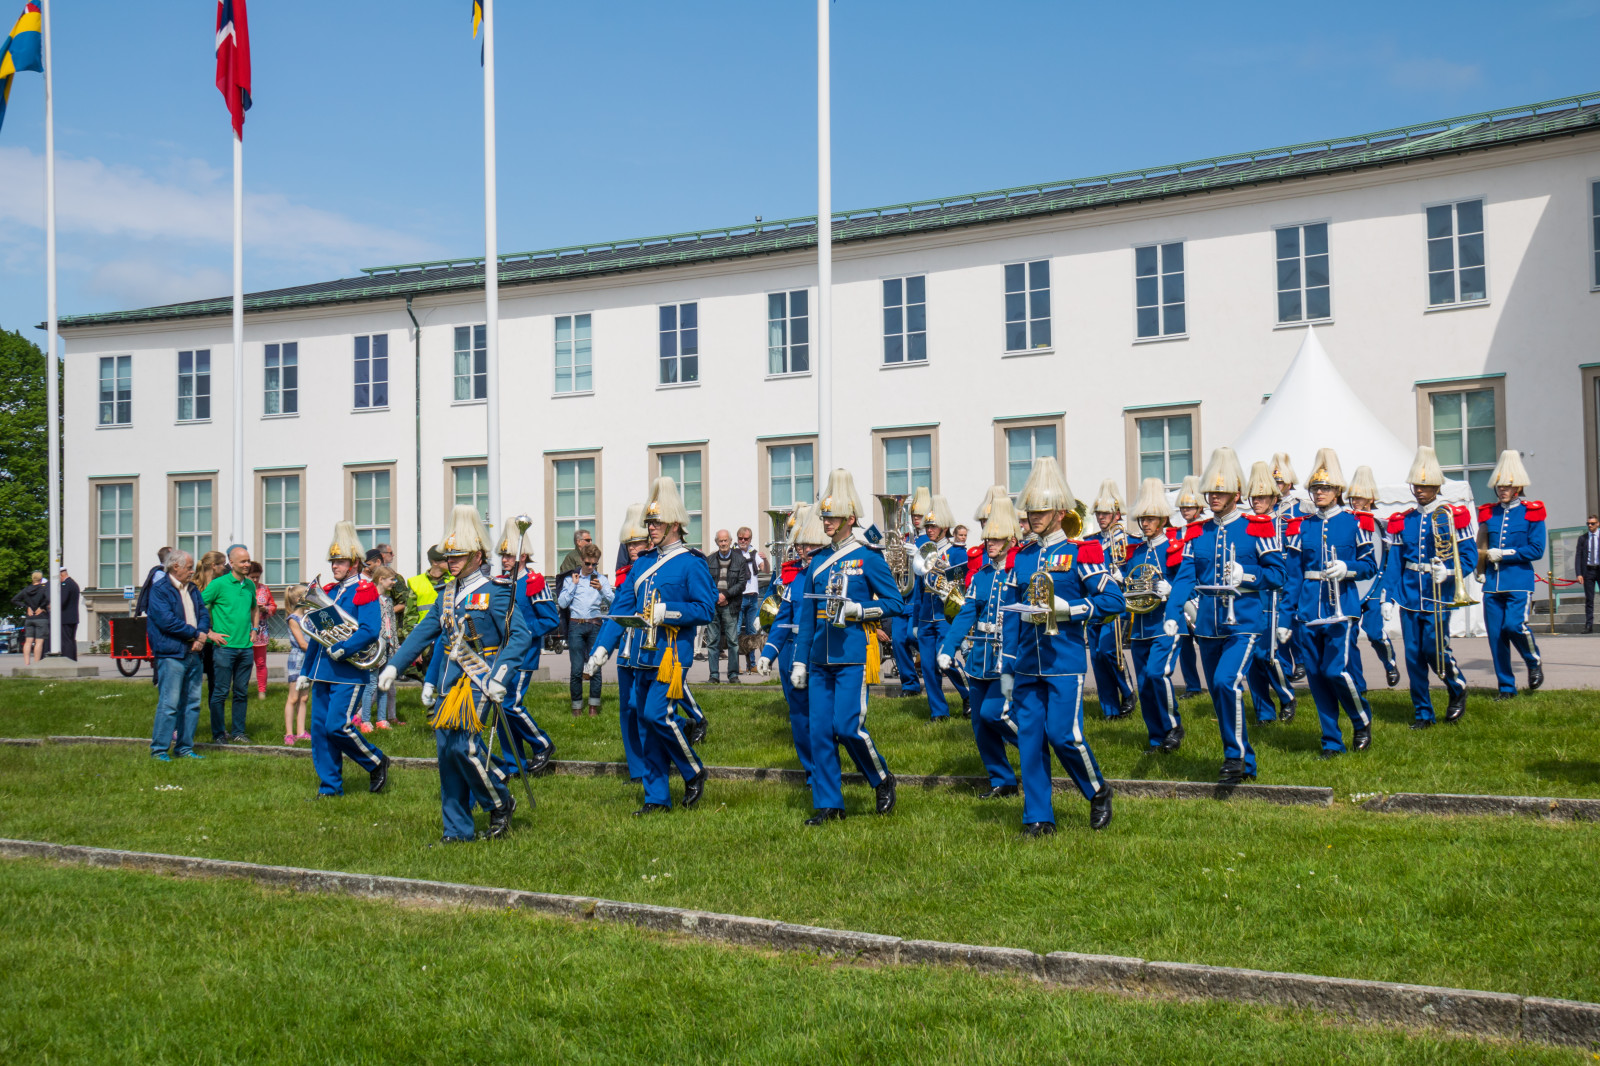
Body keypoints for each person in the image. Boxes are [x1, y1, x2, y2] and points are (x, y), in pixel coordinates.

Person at [379, 508, 529, 839]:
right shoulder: (447, 594)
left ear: (477, 555)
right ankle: (457, 829)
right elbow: (424, 632)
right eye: (449, 556)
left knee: (466, 749)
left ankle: (499, 802)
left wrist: (500, 676)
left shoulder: (498, 589)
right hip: (451, 681)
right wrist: (395, 664)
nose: (452, 562)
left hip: (481, 680)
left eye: (459, 555)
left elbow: (519, 636)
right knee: (447, 756)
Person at [1003, 457, 1120, 834]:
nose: (1033, 516)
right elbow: (1009, 613)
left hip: (1064, 659)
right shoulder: (1020, 557)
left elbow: (1112, 600)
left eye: (1040, 510)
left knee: (1063, 735)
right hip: (1026, 661)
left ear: (1059, 513)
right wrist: (1006, 660)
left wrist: (1072, 610)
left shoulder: (1080, 552)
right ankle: (1038, 816)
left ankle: (1098, 790)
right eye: (1030, 510)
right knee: (1030, 739)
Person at [584, 478, 714, 815]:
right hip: (640, 654)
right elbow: (622, 609)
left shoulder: (692, 562)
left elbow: (705, 608)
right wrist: (602, 649)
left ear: (673, 525)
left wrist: (668, 612)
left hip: (671, 654)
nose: (650, 528)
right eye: (648, 523)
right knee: (646, 722)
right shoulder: (641, 564)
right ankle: (656, 797)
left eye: (655, 523)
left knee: (658, 715)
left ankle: (692, 769)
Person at [790, 469, 905, 825]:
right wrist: (799, 661)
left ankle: (881, 778)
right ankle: (829, 804)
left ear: (849, 519)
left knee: (847, 727)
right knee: (820, 731)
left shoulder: (868, 557)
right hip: (820, 656)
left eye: (832, 516)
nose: (826, 522)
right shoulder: (818, 562)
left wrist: (862, 610)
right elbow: (808, 617)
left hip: (852, 654)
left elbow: (895, 602)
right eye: (824, 516)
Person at [1188, 447, 1288, 785]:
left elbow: (1278, 576)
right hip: (1207, 626)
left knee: (1225, 682)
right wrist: (1177, 610)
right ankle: (1244, 759)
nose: (1213, 497)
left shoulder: (1257, 528)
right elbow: (1185, 579)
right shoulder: (1198, 532)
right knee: (1219, 694)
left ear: (1235, 494)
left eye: (1220, 491)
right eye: (1210, 491)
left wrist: (1246, 576)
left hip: (1244, 622)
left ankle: (1234, 756)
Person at [1383, 445, 1476, 729]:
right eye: (1417, 485)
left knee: (1435, 649)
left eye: (1425, 485)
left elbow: (1469, 557)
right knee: (1413, 656)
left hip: (1439, 594)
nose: (1420, 490)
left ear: (1436, 486)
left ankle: (1456, 686)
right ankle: (1423, 713)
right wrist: (1389, 596)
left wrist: (1448, 571)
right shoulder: (1403, 520)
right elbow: (1394, 563)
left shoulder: (1453, 516)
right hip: (1411, 593)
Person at [296, 522, 391, 798]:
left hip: (348, 672)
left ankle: (375, 761)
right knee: (321, 732)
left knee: (337, 726)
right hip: (323, 671)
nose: (334, 565)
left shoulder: (365, 589)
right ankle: (330, 788)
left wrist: (345, 648)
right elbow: (318, 634)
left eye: (339, 561)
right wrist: (306, 671)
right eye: (333, 561)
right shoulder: (329, 591)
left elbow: (369, 630)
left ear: (353, 563)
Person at [1293, 449, 1377, 758]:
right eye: (1315, 488)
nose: (1319, 493)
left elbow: (1370, 565)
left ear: (1337, 490)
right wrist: (1289, 615)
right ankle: (1331, 741)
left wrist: (1348, 568)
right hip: (1307, 608)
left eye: (1325, 488)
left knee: (1335, 671)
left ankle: (1360, 718)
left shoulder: (1356, 523)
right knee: (1316, 677)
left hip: (1341, 607)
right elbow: (1293, 573)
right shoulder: (1301, 525)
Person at [939, 490, 1022, 797]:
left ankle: (1033, 748)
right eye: (988, 539)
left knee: (994, 714)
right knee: (980, 723)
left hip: (1008, 658)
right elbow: (966, 613)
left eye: (997, 539)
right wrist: (948, 648)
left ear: (1011, 539)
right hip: (979, 657)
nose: (990, 544)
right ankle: (1002, 780)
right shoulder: (982, 575)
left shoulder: (1019, 571)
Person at [1121, 478, 1196, 753]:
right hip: (1140, 626)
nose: (1145, 524)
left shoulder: (1175, 548)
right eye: (1142, 519)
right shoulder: (1136, 553)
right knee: (1144, 683)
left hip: (1167, 622)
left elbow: (1190, 584)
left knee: (1157, 674)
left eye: (1151, 518)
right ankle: (1156, 736)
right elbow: (1131, 586)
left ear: (1163, 519)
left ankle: (1173, 725)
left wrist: (1171, 589)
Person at [756, 504, 817, 781]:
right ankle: (810, 770)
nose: (802, 548)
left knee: (819, 714)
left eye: (808, 543)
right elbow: (782, 618)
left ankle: (825, 768)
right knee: (798, 715)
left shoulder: (820, 574)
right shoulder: (795, 576)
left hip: (816, 650)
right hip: (790, 650)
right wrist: (769, 652)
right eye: (800, 544)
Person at [495, 517, 560, 777]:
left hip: (524, 653)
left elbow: (551, 619)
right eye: (502, 555)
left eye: (509, 555)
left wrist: (524, 633)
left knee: (512, 704)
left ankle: (542, 744)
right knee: (501, 708)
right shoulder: (500, 583)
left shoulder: (534, 582)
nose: (504, 560)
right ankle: (515, 763)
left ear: (522, 556)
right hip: (500, 654)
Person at [1479, 450, 1546, 699]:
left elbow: (1536, 549)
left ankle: (1532, 660)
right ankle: (1506, 687)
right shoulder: (1488, 512)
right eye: (1499, 485)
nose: (1502, 490)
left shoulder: (1532, 511)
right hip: (1493, 583)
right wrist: (1480, 568)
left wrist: (1505, 553)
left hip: (1518, 580)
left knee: (1514, 626)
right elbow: (1481, 544)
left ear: (1517, 487)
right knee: (1496, 638)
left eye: (1506, 486)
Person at [147, 549, 222, 760]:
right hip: (171, 653)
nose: (192, 571)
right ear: (175, 566)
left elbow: (203, 614)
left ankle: (185, 747)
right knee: (169, 704)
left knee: (192, 703)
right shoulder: (160, 590)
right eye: (189, 567)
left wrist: (201, 637)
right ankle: (160, 749)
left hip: (194, 653)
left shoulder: (192, 589)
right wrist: (195, 635)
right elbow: (167, 621)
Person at [599, 504, 653, 783]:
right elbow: (618, 613)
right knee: (627, 710)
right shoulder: (622, 576)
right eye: (630, 544)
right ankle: (636, 769)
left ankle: (651, 765)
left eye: (639, 542)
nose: (633, 548)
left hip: (649, 646)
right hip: (627, 650)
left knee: (643, 708)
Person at [1243, 468, 1299, 725]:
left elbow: (1291, 570)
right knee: (1251, 657)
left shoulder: (1287, 526)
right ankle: (1263, 712)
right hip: (1251, 596)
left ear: (1274, 499)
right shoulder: (1245, 525)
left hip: (1276, 596)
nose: (1257, 502)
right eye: (1254, 497)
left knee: (1269, 654)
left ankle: (1287, 695)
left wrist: (1289, 605)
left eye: (1263, 497)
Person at [906, 494, 970, 720]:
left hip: (946, 615)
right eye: (928, 525)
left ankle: (968, 693)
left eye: (933, 525)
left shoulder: (957, 551)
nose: (929, 529)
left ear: (944, 527)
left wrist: (938, 565)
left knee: (946, 660)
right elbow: (918, 590)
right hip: (925, 616)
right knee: (928, 668)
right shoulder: (923, 549)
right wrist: (915, 621)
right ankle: (938, 712)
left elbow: (959, 585)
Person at [1084, 480, 1137, 719]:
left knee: (1109, 651)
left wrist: (1123, 577)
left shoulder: (1130, 540)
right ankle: (1109, 710)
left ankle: (1127, 691)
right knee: (1096, 656)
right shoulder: (1090, 541)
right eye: (1098, 513)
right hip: (1094, 603)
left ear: (1117, 514)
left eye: (1105, 513)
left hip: (1116, 604)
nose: (1101, 517)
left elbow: (1138, 571)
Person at [1347, 466, 1402, 688]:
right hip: (1352, 584)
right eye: (1353, 497)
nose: (1356, 502)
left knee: (1374, 632)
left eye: (1360, 497)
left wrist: (1387, 594)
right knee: (1348, 635)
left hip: (1376, 585)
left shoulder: (1383, 525)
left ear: (1370, 498)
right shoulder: (1346, 523)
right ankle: (1357, 683)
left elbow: (1387, 560)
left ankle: (1389, 663)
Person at [202, 544, 257, 743]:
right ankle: (218, 734)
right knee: (220, 692)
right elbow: (198, 607)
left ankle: (238, 733)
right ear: (231, 562)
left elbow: (255, 609)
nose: (247, 564)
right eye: (243, 561)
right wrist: (209, 633)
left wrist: (255, 629)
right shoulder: (219, 584)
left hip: (246, 648)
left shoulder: (250, 585)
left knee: (241, 692)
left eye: (248, 560)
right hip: (224, 649)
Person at [1273, 452, 1314, 685]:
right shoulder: (1269, 509)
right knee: (1279, 616)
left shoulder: (1302, 507)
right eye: (1274, 482)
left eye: (1280, 482)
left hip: (1295, 566)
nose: (1277, 486)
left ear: (1288, 483)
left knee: (1295, 616)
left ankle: (1301, 660)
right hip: (1276, 566)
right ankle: (1285, 664)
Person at [885, 487, 930, 700]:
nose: (916, 519)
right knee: (898, 641)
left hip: (918, 597)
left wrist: (918, 555)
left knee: (919, 639)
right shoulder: (904, 538)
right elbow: (895, 567)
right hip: (901, 596)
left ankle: (935, 671)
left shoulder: (928, 542)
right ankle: (910, 684)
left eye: (920, 516)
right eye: (914, 516)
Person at [560, 541, 613, 712]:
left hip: (595, 624)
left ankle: (594, 706)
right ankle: (576, 707)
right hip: (576, 625)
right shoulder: (572, 579)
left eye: (594, 564)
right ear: (581, 560)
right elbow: (562, 602)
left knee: (595, 667)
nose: (590, 567)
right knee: (576, 669)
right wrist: (573, 586)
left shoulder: (601, 580)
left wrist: (602, 590)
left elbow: (614, 602)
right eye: (587, 563)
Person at [1173, 476, 1208, 699]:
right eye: (1183, 506)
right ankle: (1192, 686)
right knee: (1184, 643)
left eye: (1189, 505)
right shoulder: (1177, 532)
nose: (1185, 509)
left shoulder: (1206, 529)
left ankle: (1213, 680)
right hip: (1182, 591)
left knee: (1205, 642)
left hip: (1201, 593)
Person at [357, 565, 403, 731]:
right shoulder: (370, 599)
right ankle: (366, 720)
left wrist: (396, 646)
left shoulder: (389, 600)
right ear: (381, 579)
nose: (394, 582)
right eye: (391, 579)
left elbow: (393, 624)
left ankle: (381, 719)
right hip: (374, 648)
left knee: (384, 683)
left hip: (388, 647)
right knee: (371, 685)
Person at [703, 529, 749, 684]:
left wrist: (726, 595)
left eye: (725, 541)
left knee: (733, 641)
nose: (723, 543)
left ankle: (733, 674)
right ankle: (714, 675)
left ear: (730, 541)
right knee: (712, 641)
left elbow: (742, 583)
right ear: (717, 542)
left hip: (731, 605)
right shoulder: (709, 560)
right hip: (713, 605)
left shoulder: (740, 560)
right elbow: (705, 583)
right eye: (720, 541)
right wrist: (716, 596)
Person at [282, 585, 311, 745]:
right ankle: (289, 733)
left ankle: (301, 731)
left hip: (307, 659)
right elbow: (302, 643)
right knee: (293, 697)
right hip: (298, 659)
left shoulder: (307, 618)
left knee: (304, 697)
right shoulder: (293, 619)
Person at [735, 526, 764, 674]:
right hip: (740, 596)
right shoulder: (734, 553)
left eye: (746, 538)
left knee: (752, 633)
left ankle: (751, 664)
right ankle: (735, 665)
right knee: (736, 632)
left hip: (752, 596)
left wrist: (764, 560)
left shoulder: (753, 552)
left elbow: (763, 568)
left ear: (750, 539)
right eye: (740, 538)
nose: (743, 541)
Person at [246, 561, 276, 698]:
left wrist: (266, 609)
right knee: (244, 663)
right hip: (244, 630)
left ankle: (262, 690)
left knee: (261, 662)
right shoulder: (243, 589)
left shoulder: (264, 589)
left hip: (261, 631)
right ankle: (241, 690)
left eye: (258, 576)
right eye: (252, 577)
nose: (256, 580)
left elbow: (273, 606)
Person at [12, 572, 47, 665]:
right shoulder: (44, 589)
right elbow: (49, 599)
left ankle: (27, 663)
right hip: (41, 617)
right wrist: (42, 607)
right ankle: (36, 663)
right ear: (41, 579)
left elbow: (14, 599)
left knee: (28, 641)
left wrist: (26, 607)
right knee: (39, 642)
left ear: (32, 578)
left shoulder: (26, 589)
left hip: (29, 618)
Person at [134, 547, 174, 616]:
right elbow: (168, 590)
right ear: (170, 559)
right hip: (161, 610)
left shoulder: (165, 572)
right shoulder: (160, 573)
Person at [1577, 515, 1600, 633]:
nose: (1590, 525)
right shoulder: (1583, 538)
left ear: (1598, 524)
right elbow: (1578, 556)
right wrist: (1579, 573)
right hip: (1589, 571)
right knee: (1589, 599)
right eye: (1588, 523)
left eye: (1592, 523)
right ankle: (1589, 625)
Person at [57, 568, 80, 660]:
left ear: (61, 575)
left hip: (66, 618)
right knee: (71, 640)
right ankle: (73, 659)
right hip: (73, 617)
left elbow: (62, 600)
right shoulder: (74, 584)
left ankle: (68, 659)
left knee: (66, 641)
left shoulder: (66, 584)